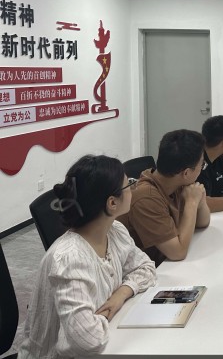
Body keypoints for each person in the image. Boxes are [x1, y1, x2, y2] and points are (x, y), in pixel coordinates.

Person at [18, 155, 156, 358]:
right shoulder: (70, 259)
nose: (134, 188)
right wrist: (104, 316)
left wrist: (120, 295)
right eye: (129, 185)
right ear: (112, 203)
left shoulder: (114, 231)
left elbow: (146, 268)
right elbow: (88, 341)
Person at [118, 129, 210, 265]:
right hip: (149, 270)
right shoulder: (146, 198)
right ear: (186, 173)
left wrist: (199, 200)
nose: (201, 169)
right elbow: (178, 252)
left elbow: (203, 223)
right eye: (201, 165)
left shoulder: (175, 182)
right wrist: (191, 203)